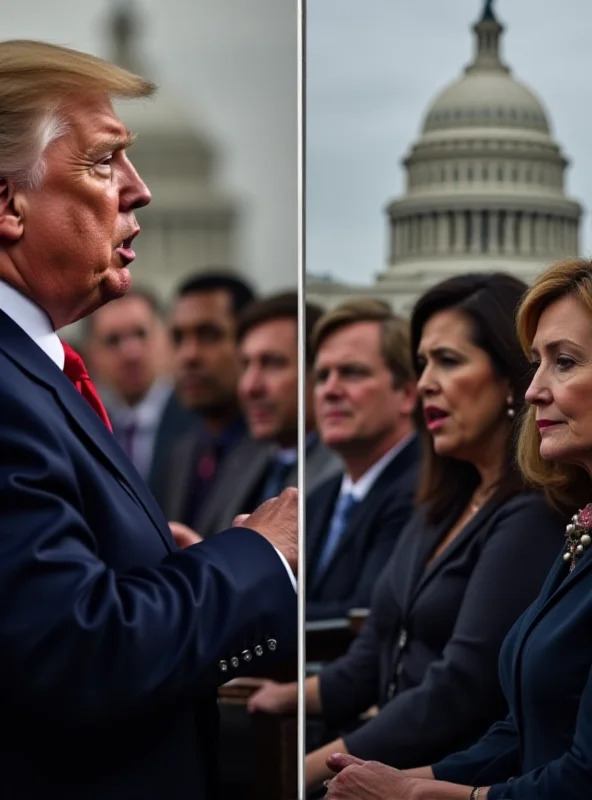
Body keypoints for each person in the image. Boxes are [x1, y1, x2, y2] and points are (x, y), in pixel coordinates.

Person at [0, 40, 296, 799]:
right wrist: (258, 556)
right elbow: (79, 653)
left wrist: (160, 565)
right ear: (8, 205)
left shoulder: (35, 374)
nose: (141, 191)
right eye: (104, 162)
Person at [248, 274, 564, 794]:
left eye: (449, 361)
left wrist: (310, 770)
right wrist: (289, 696)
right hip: (386, 762)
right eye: (422, 364)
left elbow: (459, 687)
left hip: (449, 772)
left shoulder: (529, 513)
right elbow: (375, 648)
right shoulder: (444, 499)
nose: (424, 384)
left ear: (511, 378)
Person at [324, 256, 592, 799]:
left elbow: (580, 778)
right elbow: (519, 732)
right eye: (535, 362)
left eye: (563, 362)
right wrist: (385, 778)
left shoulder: (532, 518)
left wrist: (409, 793)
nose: (536, 387)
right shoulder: (579, 532)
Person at [305, 300, 420, 620]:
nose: (330, 390)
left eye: (352, 373)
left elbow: (362, 617)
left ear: (407, 394)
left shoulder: (424, 490)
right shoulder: (319, 497)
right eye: (322, 376)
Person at [196, 291, 341, 537]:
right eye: (245, 365)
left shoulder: (343, 474)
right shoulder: (242, 460)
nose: (250, 387)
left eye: (273, 363)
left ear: (319, 373)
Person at [84, 286, 198, 507]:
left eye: (141, 334)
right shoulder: (85, 426)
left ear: (167, 339)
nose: (131, 353)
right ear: (92, 355)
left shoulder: (199, 419)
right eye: (113, 340)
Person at [160, 271, 255, 532]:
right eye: (179, 338)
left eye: (209, 335)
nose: (189, 355)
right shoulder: (181, 455)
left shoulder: (278, 457)